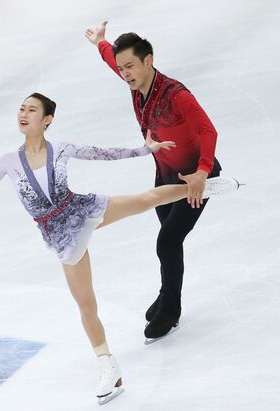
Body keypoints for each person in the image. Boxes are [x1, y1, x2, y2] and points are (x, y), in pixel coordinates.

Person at [0, 93, 237, 404]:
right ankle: (108, 367)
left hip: (81, 210)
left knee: (145, 199)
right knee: (86, 305)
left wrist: (145, 149)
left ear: (47, 120)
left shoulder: (62, 148)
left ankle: (204, 185)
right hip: (60, 236)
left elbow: (105, 154)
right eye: (21, 109)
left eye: (32, 110)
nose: (23, 114)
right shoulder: (9, 162)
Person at [86, 22, 224, 341]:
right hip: (165, 177)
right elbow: (113, 59)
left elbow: (208, 131)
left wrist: (203, 172)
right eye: (122, 69)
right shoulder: (137, 85)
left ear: (148, 60)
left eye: (131, 66)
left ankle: (170, 311)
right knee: (168, 243)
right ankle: (167, 295)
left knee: (168, 242)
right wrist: (102, 43)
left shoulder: (176, 95)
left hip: (194, 179)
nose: (125, 73)